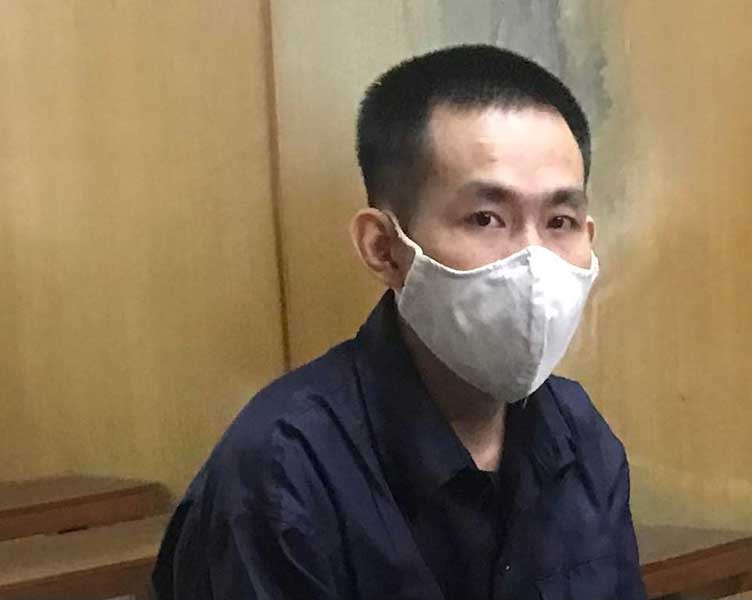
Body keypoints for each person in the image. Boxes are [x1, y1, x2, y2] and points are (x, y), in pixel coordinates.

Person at [152, 44, 645, 600]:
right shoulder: (283, 468)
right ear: (384, 248)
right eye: (486, 218)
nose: (533, 262)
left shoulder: (580, 434)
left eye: (560, 221)